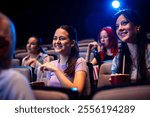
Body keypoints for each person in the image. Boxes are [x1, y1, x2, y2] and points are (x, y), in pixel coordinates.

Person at [37, 25, 88, 95]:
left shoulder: (79, 62)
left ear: (72, 43)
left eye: (62, 38)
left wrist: (56, 70)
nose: (57, 42)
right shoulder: (52, 64)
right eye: (55, 38)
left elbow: (77, 92)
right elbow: (51, 92)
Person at [0, 12, 34, 99]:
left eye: (33, 44)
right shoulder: (15, 82)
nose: (29, 46)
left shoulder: (14, 81)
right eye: (28, 43)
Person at [111, 9, 150, 82]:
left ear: (137, 26)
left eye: (124, 23)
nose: (120, 28)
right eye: (117, 26)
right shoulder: (117, 59)